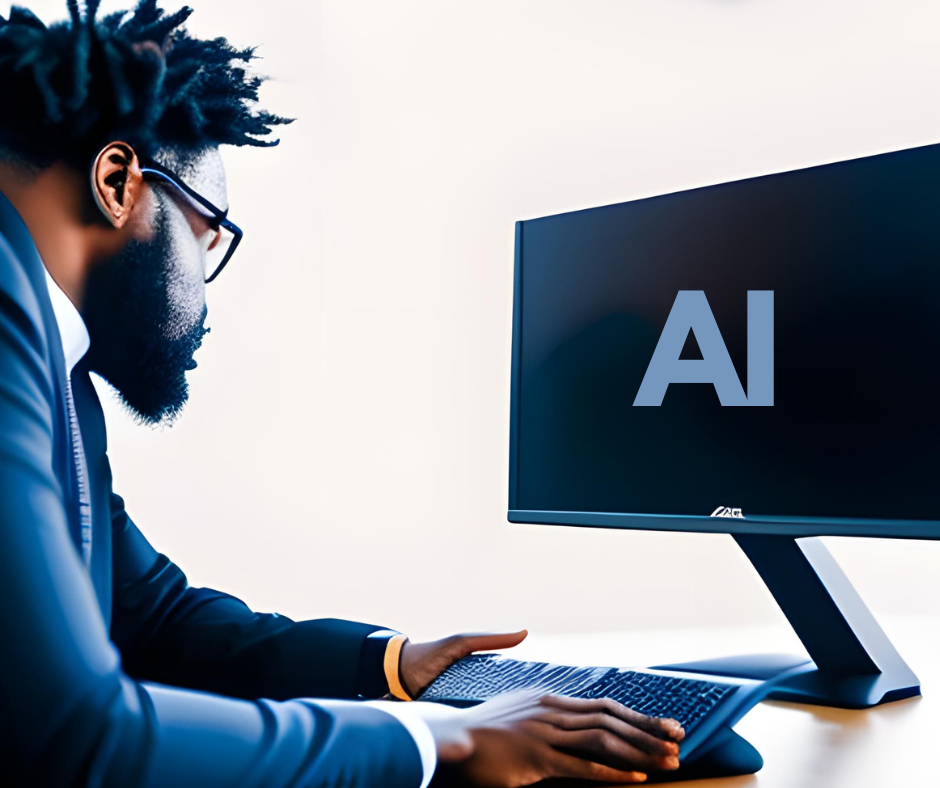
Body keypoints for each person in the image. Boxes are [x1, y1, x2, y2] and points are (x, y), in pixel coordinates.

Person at [0, 2, 685, 786]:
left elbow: (148, 614)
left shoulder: (59, 373)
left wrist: (394, 664)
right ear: (119, 183)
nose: (205, 296)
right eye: (207, 233)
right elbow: (75, 739)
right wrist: (439, 742)